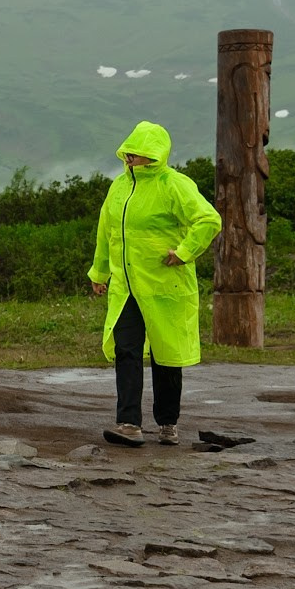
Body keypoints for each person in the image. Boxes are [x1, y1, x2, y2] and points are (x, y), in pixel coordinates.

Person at [87, 120, 222, 446]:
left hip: (164, 286)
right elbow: (107, 232)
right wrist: (99, 273)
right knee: (127, 351)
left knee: (166, 355)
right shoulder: (119, 186)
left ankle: (167, 424)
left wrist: (185, 252)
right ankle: (129, 424)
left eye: (139, 151)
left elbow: (209, 219)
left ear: (156, 154)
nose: (131, 156)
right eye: (129, 150)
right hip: (127, 287)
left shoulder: (174, 184)